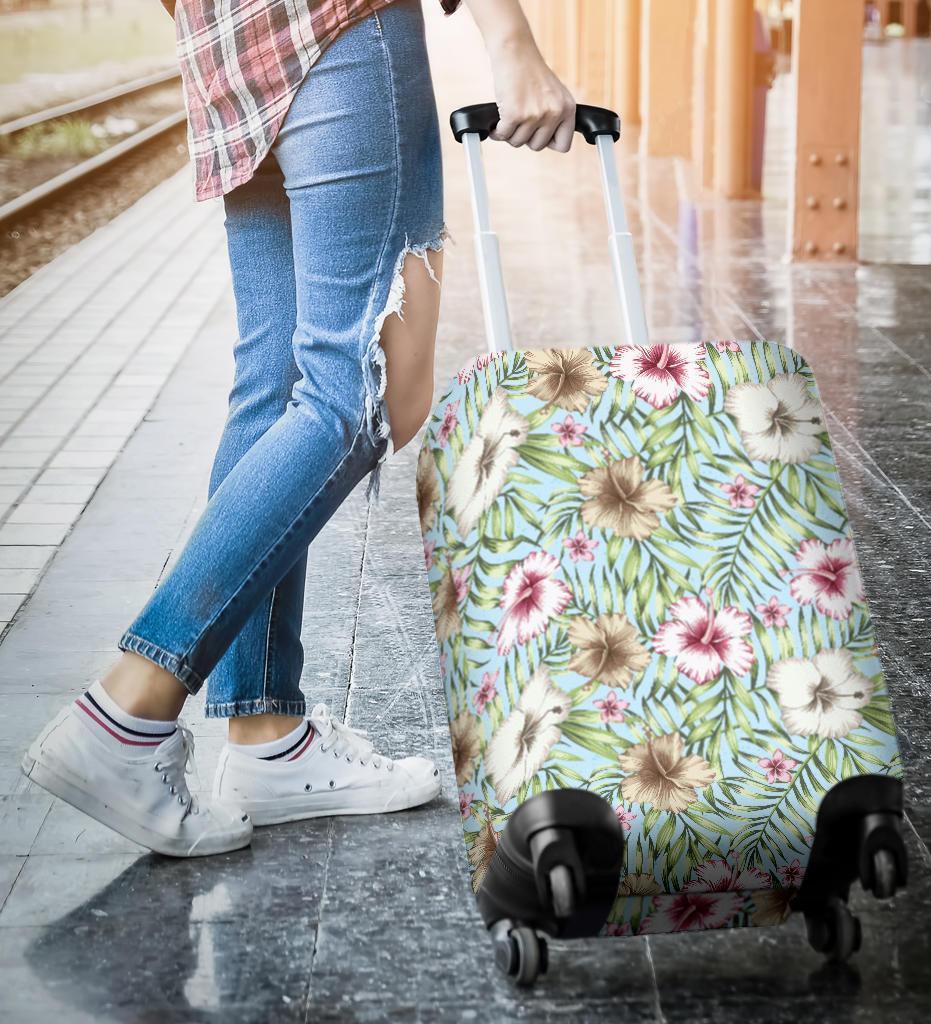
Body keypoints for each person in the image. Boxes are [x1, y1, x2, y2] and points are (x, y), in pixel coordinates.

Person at [22, 0, 576, 857]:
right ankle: (128, 710)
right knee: (361, 391)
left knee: (275, 383)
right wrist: (512, 43)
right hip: (340, 27)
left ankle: (265, 734)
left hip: (228, 51)